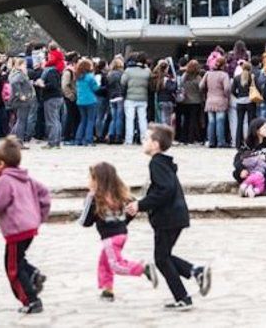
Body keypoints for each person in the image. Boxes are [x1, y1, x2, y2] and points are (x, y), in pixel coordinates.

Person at [125, 125, 211, 311]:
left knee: (161, 259)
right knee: (164, 256)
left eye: (146, 139)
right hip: (173, 215)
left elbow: (165, 190)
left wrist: (141, 205)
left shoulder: (156, 162)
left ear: (155, 144)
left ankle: (183, 297)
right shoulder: (161, 162)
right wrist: (142, 203)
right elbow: (161, 189)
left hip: (168, 217)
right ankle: (195, 272)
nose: (143, 142)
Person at [0, 138, 51, 315]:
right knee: (18, 259)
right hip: (29, 227)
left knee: (12, 267)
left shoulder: (5, 180)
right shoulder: (26, 177)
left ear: (2, 163)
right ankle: (33, 274)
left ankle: (30, 300)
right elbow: (44, 193)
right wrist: (40, 215)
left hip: (16, 230)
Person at [81, 162, 158, 301]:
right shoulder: (121, 194)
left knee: (116, 265)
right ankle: (107, 290)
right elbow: (134, 208)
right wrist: (123, 222)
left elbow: (85, 222)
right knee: (104, 262)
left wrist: (88, 199)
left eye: (91, 178)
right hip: (122, 234)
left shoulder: (95, 198)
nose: (89, 181)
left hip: (110, 237)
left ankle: (143, 268)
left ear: (97, 180)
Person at [233, 117, 266, 187]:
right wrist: (242, 169)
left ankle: (254, 184)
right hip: (252, 169)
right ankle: (252, 182)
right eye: (264, 128)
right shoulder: (248, 143)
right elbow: (237, 159)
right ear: (257, 130)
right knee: (236, 173)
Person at [199, 57, 232, 148]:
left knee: (211, 122)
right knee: (220, 121)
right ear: (223, 65)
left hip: (210, 100)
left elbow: (201, 86)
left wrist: (207, 91)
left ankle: (211, 142)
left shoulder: (208, 73)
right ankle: (221, 142)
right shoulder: (224, 75)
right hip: (221, 100)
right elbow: (227, 88)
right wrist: (227, 96)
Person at [37, 51, 65, 149]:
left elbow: (53, 85)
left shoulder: (50, 70)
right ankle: (57, 142)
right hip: (58, 97)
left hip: (51, 98)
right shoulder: (57, 69)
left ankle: (52, 142)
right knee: (56, 120)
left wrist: (42, 84)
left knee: (51, 121)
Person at [122, 53, 152, 146]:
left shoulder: (128, 70)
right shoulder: (147, 71)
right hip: (143, 98)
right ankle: (144, 139)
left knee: (130, 119)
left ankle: (129, 140)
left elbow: (123, 82)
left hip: (130, 97)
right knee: (143, 119)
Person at [7, 56, 36, 148]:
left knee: (20, 120)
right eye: (24, 65)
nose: (25, 66)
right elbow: (14, 83)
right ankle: (18, 142)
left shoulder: (17, 73)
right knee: (21, 121)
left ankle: (11, 140)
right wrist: (20, 94)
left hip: (24, 100)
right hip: (22, 101)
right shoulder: (19, 74)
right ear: (19, 65)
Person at [73, 58, 101, 147]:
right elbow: (95, 88)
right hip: (90, 100)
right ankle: (88, 140)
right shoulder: (90, 77)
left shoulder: (77, 77)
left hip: (80, 101)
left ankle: (78, 139)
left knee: (83, 120)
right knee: (90, 120)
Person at [178, 60, 204, 145]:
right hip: (196, 101)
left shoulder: (184, 77)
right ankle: (191, 138)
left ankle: (183, 138)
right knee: (194, 121)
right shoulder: (198, 78)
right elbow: (201, 88)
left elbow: (180, 85)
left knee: (186, 120)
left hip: (185, 101)